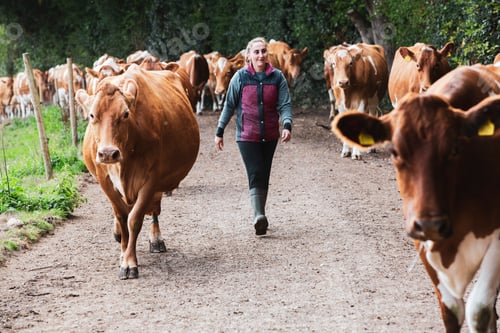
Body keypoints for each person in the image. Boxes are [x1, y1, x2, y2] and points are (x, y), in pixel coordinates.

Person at [214, 37, 293, 236]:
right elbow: (229, 106)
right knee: (256, 171)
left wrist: (287, 124)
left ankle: (261, 215)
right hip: (246, 135)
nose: (260, 55)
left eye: (263, 51)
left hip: (270, 135)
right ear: (248, 56)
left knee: (264, 172)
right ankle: (258, 215)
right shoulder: (240, 78)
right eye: (256, 52)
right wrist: (220, 130)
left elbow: (284, 104)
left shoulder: (277, 77)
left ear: (267, 54)